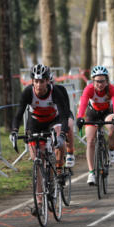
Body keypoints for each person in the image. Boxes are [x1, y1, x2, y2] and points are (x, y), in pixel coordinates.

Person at [11, 64, 70, 214]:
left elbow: (64, 116)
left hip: (53, 121)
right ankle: (39, 201)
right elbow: (18, 114)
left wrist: (62, 135)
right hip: (35, 124)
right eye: (36, 81)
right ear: (32, 82)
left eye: (42, 81)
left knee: (58, 139)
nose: (38, 85)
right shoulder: (27, 93)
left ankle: (58, 168)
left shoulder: (55, 92)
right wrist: (14, 131)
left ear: (47, 81)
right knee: (37, 160)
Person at [75, 66, 114, 186]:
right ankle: (91, 172)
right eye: (97, 81)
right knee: (90, 141)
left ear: (107, 81)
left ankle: (112, 149)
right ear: (93, 81)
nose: (99, 84)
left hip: (106, 112)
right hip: (92, 113)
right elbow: (83, 103)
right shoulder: (89, 89)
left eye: (102, 81)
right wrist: (80, 117)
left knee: (111, 127)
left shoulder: (112, 89)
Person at [49, 72, 75, 168]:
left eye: (51, 83)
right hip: (50, 118)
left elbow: (66, 110)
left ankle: (70, 152)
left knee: (68, 125)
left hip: (63, 114)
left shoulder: (60, 90)